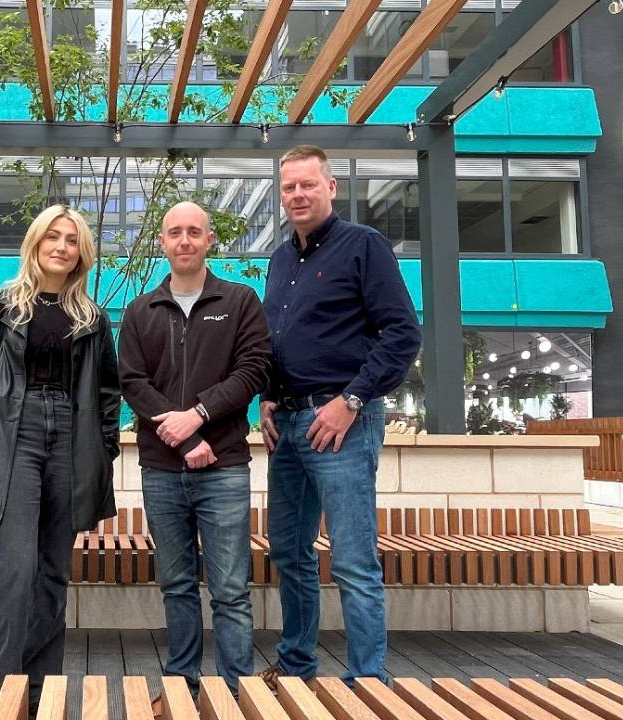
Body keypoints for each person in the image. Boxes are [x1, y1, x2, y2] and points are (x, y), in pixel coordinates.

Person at [259, 145, 422, 686]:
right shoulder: (281, 260)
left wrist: (350, 400)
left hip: (343, 422)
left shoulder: (365, 246)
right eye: (289, 187)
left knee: (352, 559)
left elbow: (403, 334)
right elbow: (279, 340)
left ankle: (368, 681)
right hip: (290, 425)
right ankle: (297, 660)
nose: (298, 195)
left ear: (331, 188)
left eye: (308, 184)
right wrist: (268, 394)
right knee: (289, 550)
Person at [0, 205, 121, 706]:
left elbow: (108, 394)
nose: (62, 247)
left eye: (72, 240)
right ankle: (2, 688)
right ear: (36, 242)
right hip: (15, 434)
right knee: (18, 567)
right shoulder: (2, 305)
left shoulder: (92, 317)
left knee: (53, 570)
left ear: (81, 253)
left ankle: (42, 685)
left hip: (71, 435)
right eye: (54, 237)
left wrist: (103, 446)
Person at [119, 201, 271, 701]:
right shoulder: (141, 311)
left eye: (194, 232)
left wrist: (200, 415)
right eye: (174, 233)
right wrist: (185, 437)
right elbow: (133, 383)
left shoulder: (241, 300)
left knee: (230, 590)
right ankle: (182, 682)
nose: (184, 241)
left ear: (210, 241)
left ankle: (237, 690)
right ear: (162, 242)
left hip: (224, 465)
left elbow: (253, 371)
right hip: (162, 468)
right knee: (177, 583)